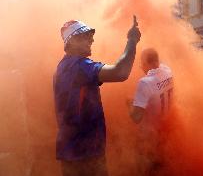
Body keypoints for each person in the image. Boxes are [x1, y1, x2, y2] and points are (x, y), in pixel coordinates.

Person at [53, 16, 141, 176]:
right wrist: (132, 39)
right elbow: (120, 72)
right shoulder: (79, 66)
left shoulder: (62, 66)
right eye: (84, 36)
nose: (91, 40)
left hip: (72, 153)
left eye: (90, 36)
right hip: (85, 156)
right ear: (70, 42)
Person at [128, 48, 173, 175]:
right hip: (166, 129)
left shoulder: (145, 83)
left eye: (142, 63)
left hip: (150, 136)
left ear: (149, 63)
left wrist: (129, 105)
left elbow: (136, 117)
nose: (141, 67)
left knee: (147, 169)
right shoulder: (168, 71)